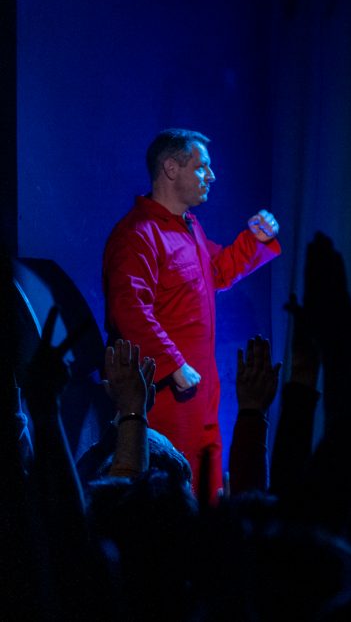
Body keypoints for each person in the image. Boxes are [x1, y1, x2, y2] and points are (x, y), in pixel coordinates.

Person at [103, 128, 281, 502]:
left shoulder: (188, 227)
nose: (211, 176)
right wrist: (173, 364)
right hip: (168, 397)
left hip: (199, 395)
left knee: (206, 488)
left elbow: (217, 270)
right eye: (202, 167)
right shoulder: (137, 235)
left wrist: (256, 239)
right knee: (171, 494)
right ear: (171, 168)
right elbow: (129, 308)